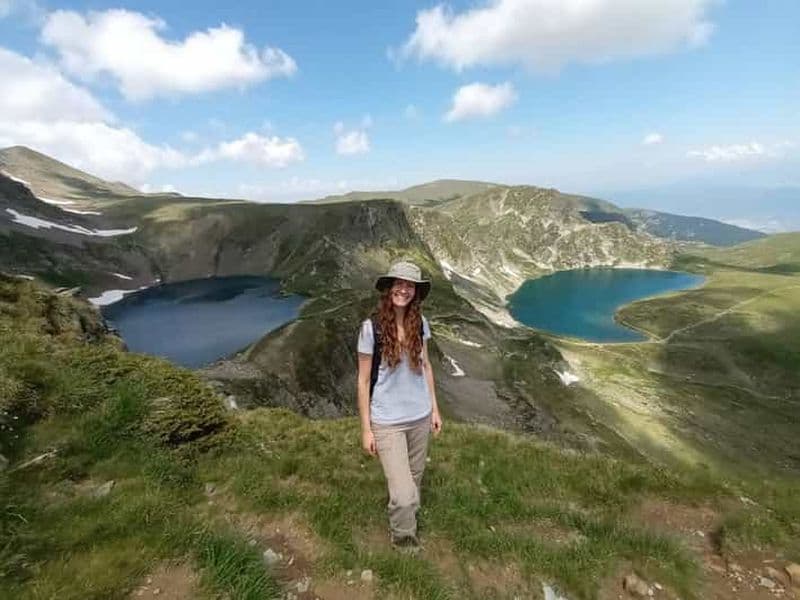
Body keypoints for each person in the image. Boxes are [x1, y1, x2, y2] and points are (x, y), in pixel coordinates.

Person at [356, 260, 443, 551]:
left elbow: (427, 366)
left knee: (415, 478)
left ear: (415, 293)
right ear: (389, 287)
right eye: (399, 283)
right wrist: (366, 429)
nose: (403, 290)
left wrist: (435, 409)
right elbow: (363, 380)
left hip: (419, 416)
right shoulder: (371, 329)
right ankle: (403, 538)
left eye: (410, 285)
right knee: (405, 493)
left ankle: (405, 513)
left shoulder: (421, 324)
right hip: (387, 421)